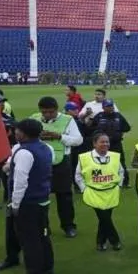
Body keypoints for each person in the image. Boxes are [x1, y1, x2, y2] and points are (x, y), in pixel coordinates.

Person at [0, 118, 54, 274]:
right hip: (41, 198)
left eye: (17, 130)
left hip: (27, 201)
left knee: (30, 240)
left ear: (23, 133)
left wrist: (15, 204)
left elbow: (21, 182)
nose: (15, 132)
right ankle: (47, 267)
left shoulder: (24, 152)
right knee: (42, 234)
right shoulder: (46, 148)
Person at [33, 95, 82, 238]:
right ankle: (43, 227)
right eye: (44, 112)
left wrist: (59, 136)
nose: (47, 115)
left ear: (56, 109)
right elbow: (25, 136)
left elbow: (78, 140)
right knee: (40, 197)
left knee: (64, 196)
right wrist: (38, 136)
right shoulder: (34, 118)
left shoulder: (67, 120)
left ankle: (68, 226)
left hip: (61, 163)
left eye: (51, 112)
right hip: (39, 163)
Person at [75, 133, 125, 252]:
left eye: (107, 142)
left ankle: (101, 242)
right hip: (94, 193)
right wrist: (84, 189)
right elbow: (78, 175)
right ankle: (115, 240)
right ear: (94, 143)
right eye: (102, 142)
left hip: (111, 192)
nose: (105, 144)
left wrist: (119, 185)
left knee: (105, 218)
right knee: (104, 217)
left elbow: (121, 171)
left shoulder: (114, 156)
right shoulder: (85, 157)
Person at [91, 99, 132, 188]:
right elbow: (92, 128)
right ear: (103, 107)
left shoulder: (118, 116)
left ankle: (125, 182)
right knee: (101, 161)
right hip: (102, 145)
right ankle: (103, 179)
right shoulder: (99, 116)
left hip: (116, 143)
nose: (110, 108)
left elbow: (127, 127)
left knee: (120, 162)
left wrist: (119, 133)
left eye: (111, 106)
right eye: (108, 106)